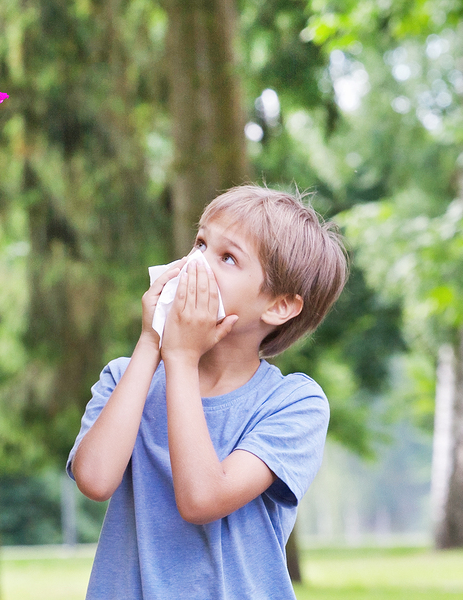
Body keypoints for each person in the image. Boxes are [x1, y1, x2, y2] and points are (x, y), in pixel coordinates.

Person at [67, 185, 348, 599]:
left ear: (279, 306)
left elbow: (202, 499)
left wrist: (180, 358)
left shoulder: (294, 403)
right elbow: (94, 480)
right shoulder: (126, 378)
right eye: (200, 243)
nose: (195, 263)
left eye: (228, 257)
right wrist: (151, 344)